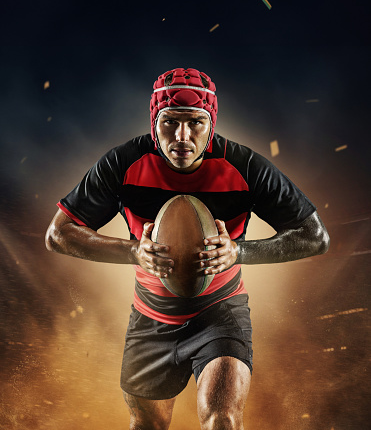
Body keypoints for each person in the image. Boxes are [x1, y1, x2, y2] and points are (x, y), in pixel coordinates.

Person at [45, 67, 330, 430]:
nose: (182, 136)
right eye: (170, 122)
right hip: (150, 317)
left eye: (195, 122)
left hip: (220, 313)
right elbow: (58, 234)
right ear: (154, 121)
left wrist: (239, 253)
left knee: (221, 421)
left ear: (211, 123)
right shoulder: (123, 163)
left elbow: (315, 236)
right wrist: (132, 252)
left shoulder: (244, 166)